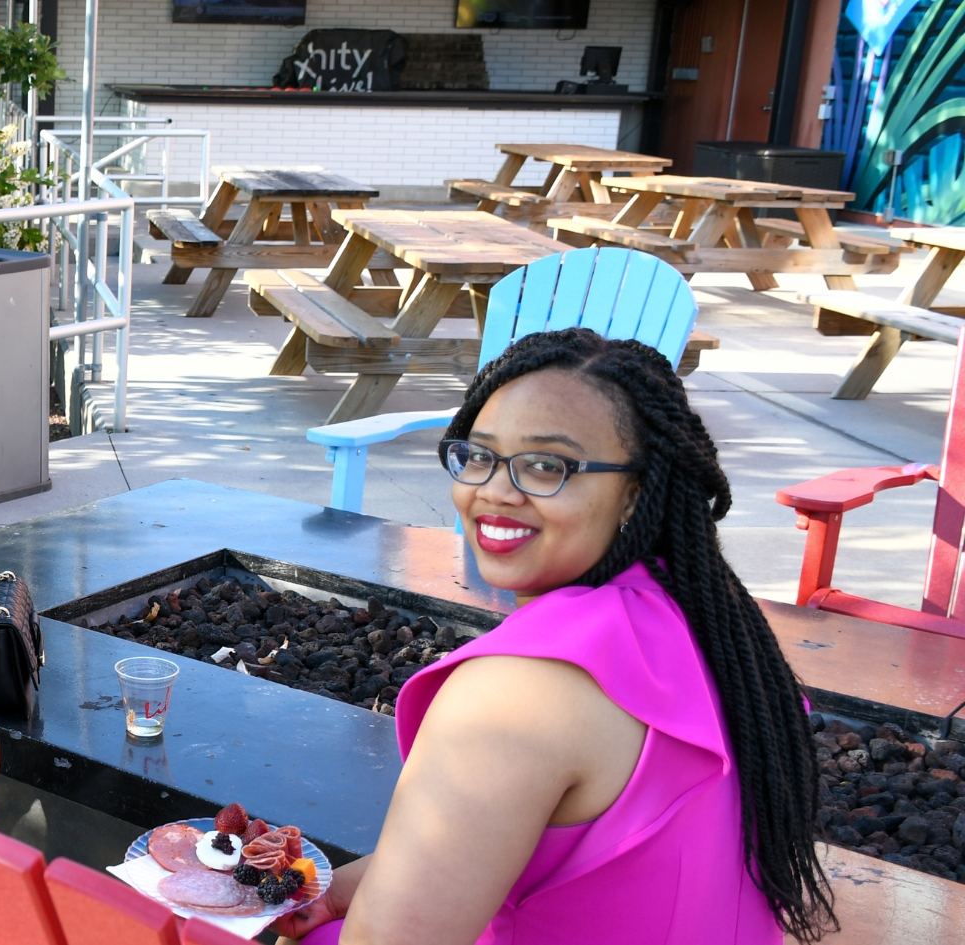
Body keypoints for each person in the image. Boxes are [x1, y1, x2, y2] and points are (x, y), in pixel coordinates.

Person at [276, 328, 834, 944]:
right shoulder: (708, 625)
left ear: (636, 493)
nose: (494, 491)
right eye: (479, 455)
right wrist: (369, 883)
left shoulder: (520, 692)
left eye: (548, 465)